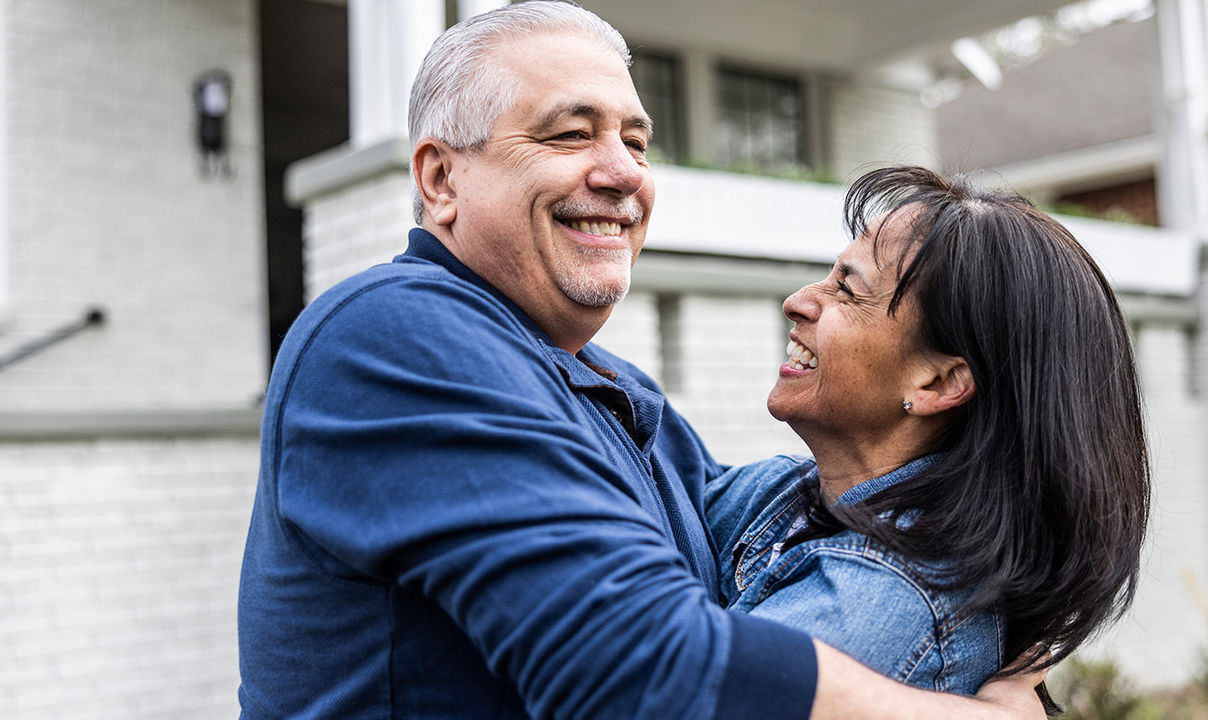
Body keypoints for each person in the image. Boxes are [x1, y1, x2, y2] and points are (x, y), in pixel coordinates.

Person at [237, 4, 1048, 718]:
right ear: (441, 178)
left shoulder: (603, 380)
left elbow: (751, 513)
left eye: (635, 140)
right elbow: (639, 667)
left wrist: (1005, 572)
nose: (626, 172)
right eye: (569, 133)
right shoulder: (394, 335)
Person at [706, 165, 1149, 699]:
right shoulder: (792, 493)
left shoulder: (882, 594)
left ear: (938, 382)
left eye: (847, 290)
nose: (798, 301)